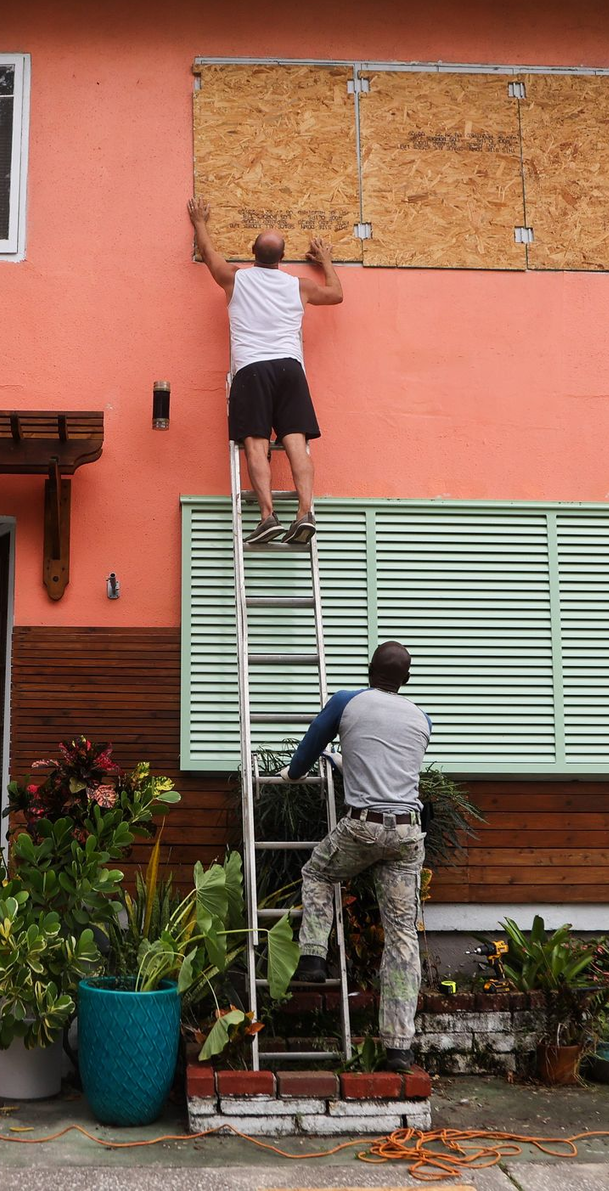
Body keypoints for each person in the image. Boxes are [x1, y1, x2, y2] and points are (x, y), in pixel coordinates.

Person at [279, 641, 431, 1072]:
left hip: (362, 826)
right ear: (406, 679)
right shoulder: (422, 718)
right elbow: (388, 768)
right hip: (406, 832)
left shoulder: (347, 701)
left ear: (369, 671)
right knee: (401, 935)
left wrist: (294, 772)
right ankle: (399, 1047)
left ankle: (312, 956)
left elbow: (309, 746)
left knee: (319, 872)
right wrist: (346, 763)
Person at [187, 196, 343, 545]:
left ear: (251, 251)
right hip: (290, 368)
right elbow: (335, 295)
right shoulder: (298, 286)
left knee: (256, 444)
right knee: (296, 444)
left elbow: (209, 254)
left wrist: (200, 222)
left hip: (252, 369)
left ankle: (267, 515)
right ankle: (305, 512)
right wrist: (326, 260)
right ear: (282, 258)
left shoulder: (235, 278)